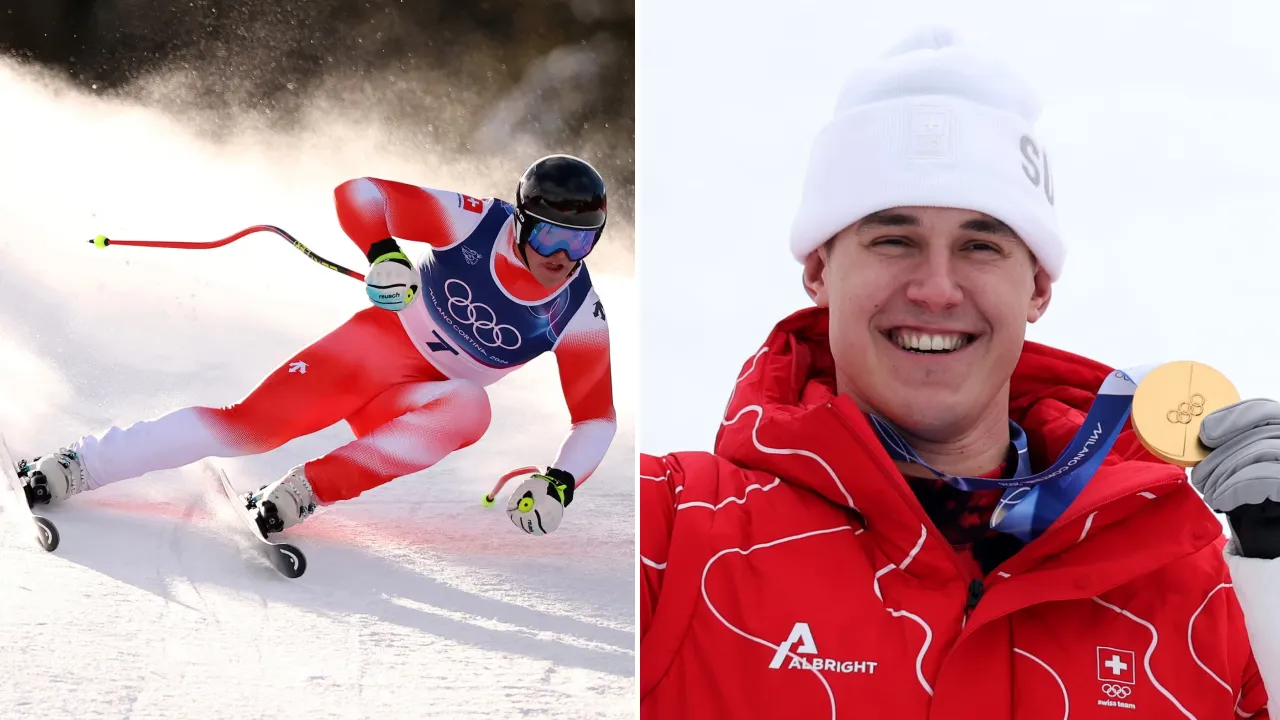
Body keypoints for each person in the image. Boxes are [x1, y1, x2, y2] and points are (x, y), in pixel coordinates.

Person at [639, 28, 1280, 718]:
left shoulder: (1192, 575)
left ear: (1036, 287)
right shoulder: (676, 531)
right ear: (821, 271)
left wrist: (1273, 578)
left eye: (981, 244)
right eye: (894, 239)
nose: (937, 289)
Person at [21, 154, 617, 538]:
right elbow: (359, 193)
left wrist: (560, 480)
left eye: (581, 242)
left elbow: (595, 418)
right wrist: (384, 252)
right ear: (520, 221)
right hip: (372, 352)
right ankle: (81, 465)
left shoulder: (578, 311)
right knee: (252, 427)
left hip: (415, 400)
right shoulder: (476, 222)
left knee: (472, 407)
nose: (562, 257)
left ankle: (304, 491)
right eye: (550, 234)